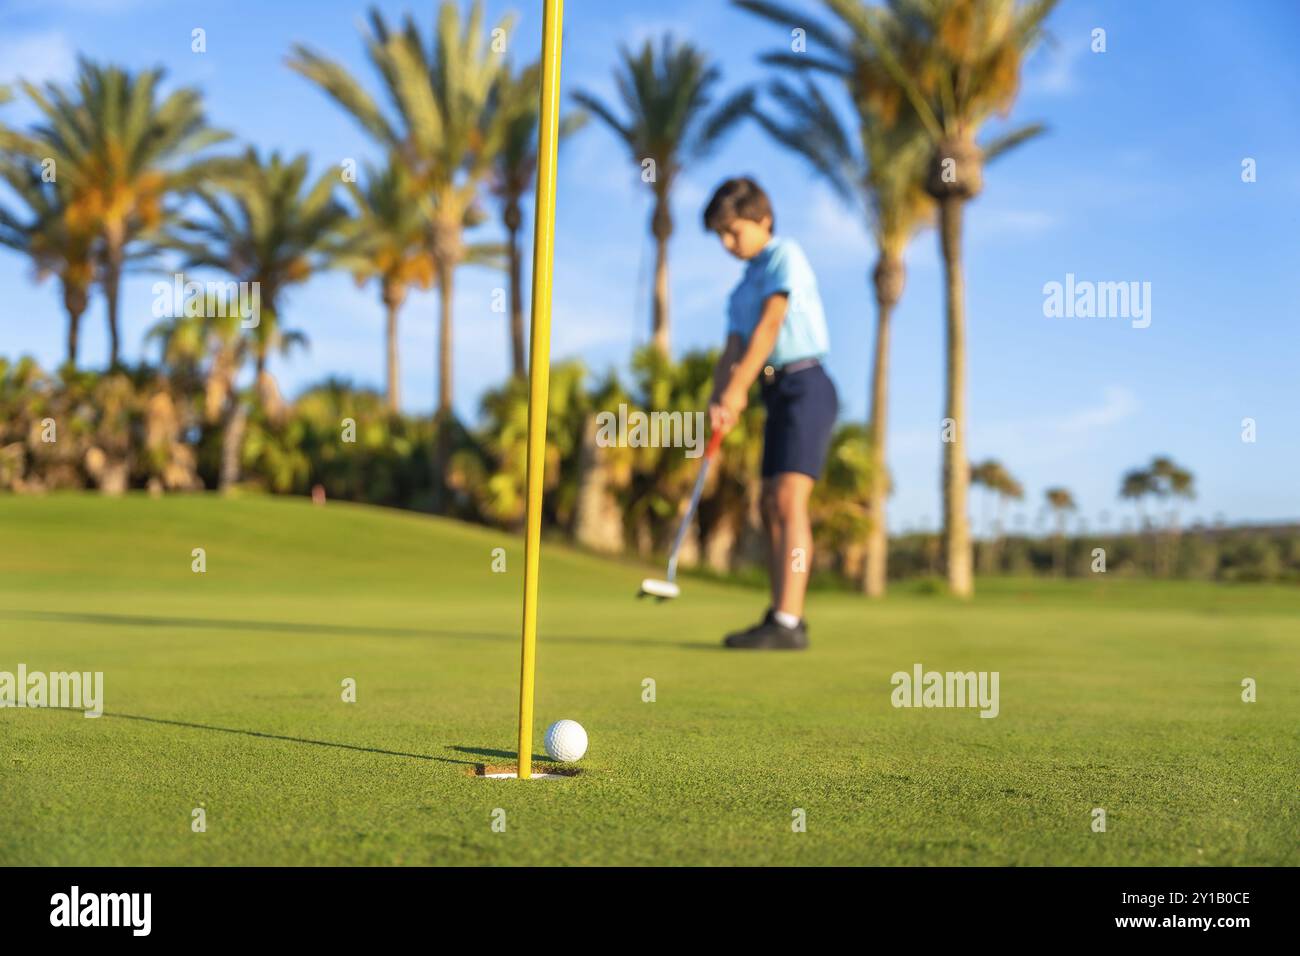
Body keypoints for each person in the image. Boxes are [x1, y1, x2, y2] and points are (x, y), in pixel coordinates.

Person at [703, 176, 839, 650]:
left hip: (806, 384)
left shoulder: (785, 255)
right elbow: (733, 349)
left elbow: (770, 325)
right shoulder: (740, 289)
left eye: (733, 231)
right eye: (720, 234)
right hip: (774, 392)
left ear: (763, 220)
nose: (726, 242)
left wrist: (737, 389)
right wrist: (720, 399)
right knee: (768, 506)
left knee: (788, 501)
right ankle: (780, 613)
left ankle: (789, 619)